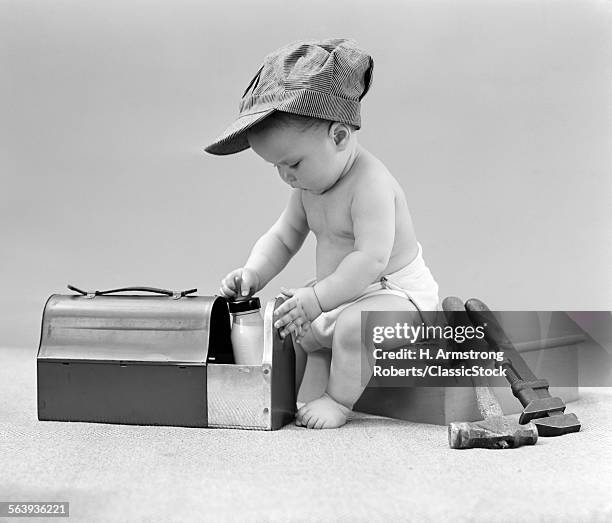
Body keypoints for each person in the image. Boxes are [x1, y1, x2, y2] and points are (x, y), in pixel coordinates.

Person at [205, 38, 439, 429]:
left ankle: (338, 401)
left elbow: (370, 261)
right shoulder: (308, 188)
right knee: (287, 317)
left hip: (396, 299)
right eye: (276, 167)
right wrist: (253, 273)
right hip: (338, 293)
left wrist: (316, 298)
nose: (286, 176)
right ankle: (282, 396)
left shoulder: (371, 186)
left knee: (351, 328)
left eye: (293, 162)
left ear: (340, 137)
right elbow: (282, 237)